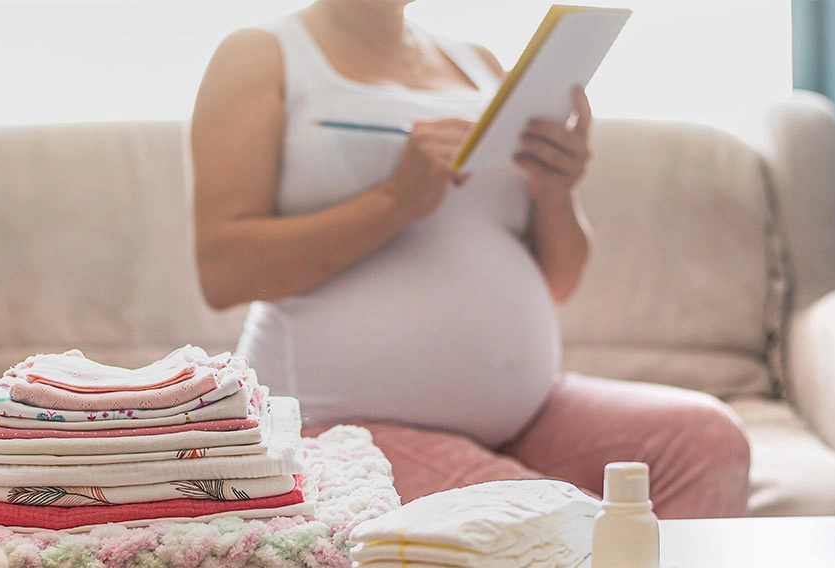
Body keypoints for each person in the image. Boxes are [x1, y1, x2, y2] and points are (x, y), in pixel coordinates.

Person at [190, 0, 750, 518]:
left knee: (706, 442)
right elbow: (223, 272)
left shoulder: (479, 66)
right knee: (544, 519)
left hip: (526, 411)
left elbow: (557, 280)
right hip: (341, 423)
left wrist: (557, 191)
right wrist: (394, 201)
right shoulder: (261, 55)